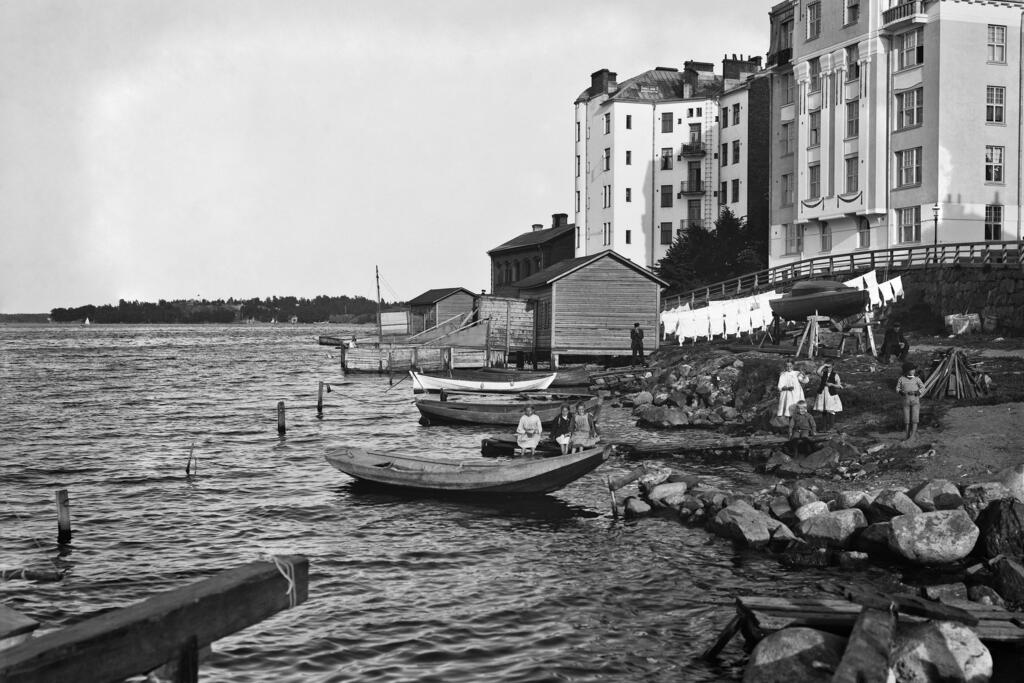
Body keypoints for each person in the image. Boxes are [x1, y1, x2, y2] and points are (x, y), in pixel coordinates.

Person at [896, 362, 926, 442]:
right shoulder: (901, 379)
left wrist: (916, 392)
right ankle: (907, 435)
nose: (913, 371)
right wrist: (902, 392)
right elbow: (897, 388)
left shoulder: (917, 379)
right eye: (911, 369)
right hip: (905, 401)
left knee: (915, 418)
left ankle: (913, 435)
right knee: (906, 419)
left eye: (914, 369)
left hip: (915, 401)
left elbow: (923, 387)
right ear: (906, 371)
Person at [813, 359, 844, 432]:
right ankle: (824, 428)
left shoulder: (835, 375)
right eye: (827, 367)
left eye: (829, 367)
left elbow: (839, 385)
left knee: (831, 410)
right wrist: (824, 365)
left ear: (833, 367)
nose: (828, 368)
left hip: (830, 394)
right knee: (824, 410)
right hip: (823, 393)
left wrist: (832, 384)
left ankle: (831, 428)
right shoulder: (823, 373)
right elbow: (818, 371)